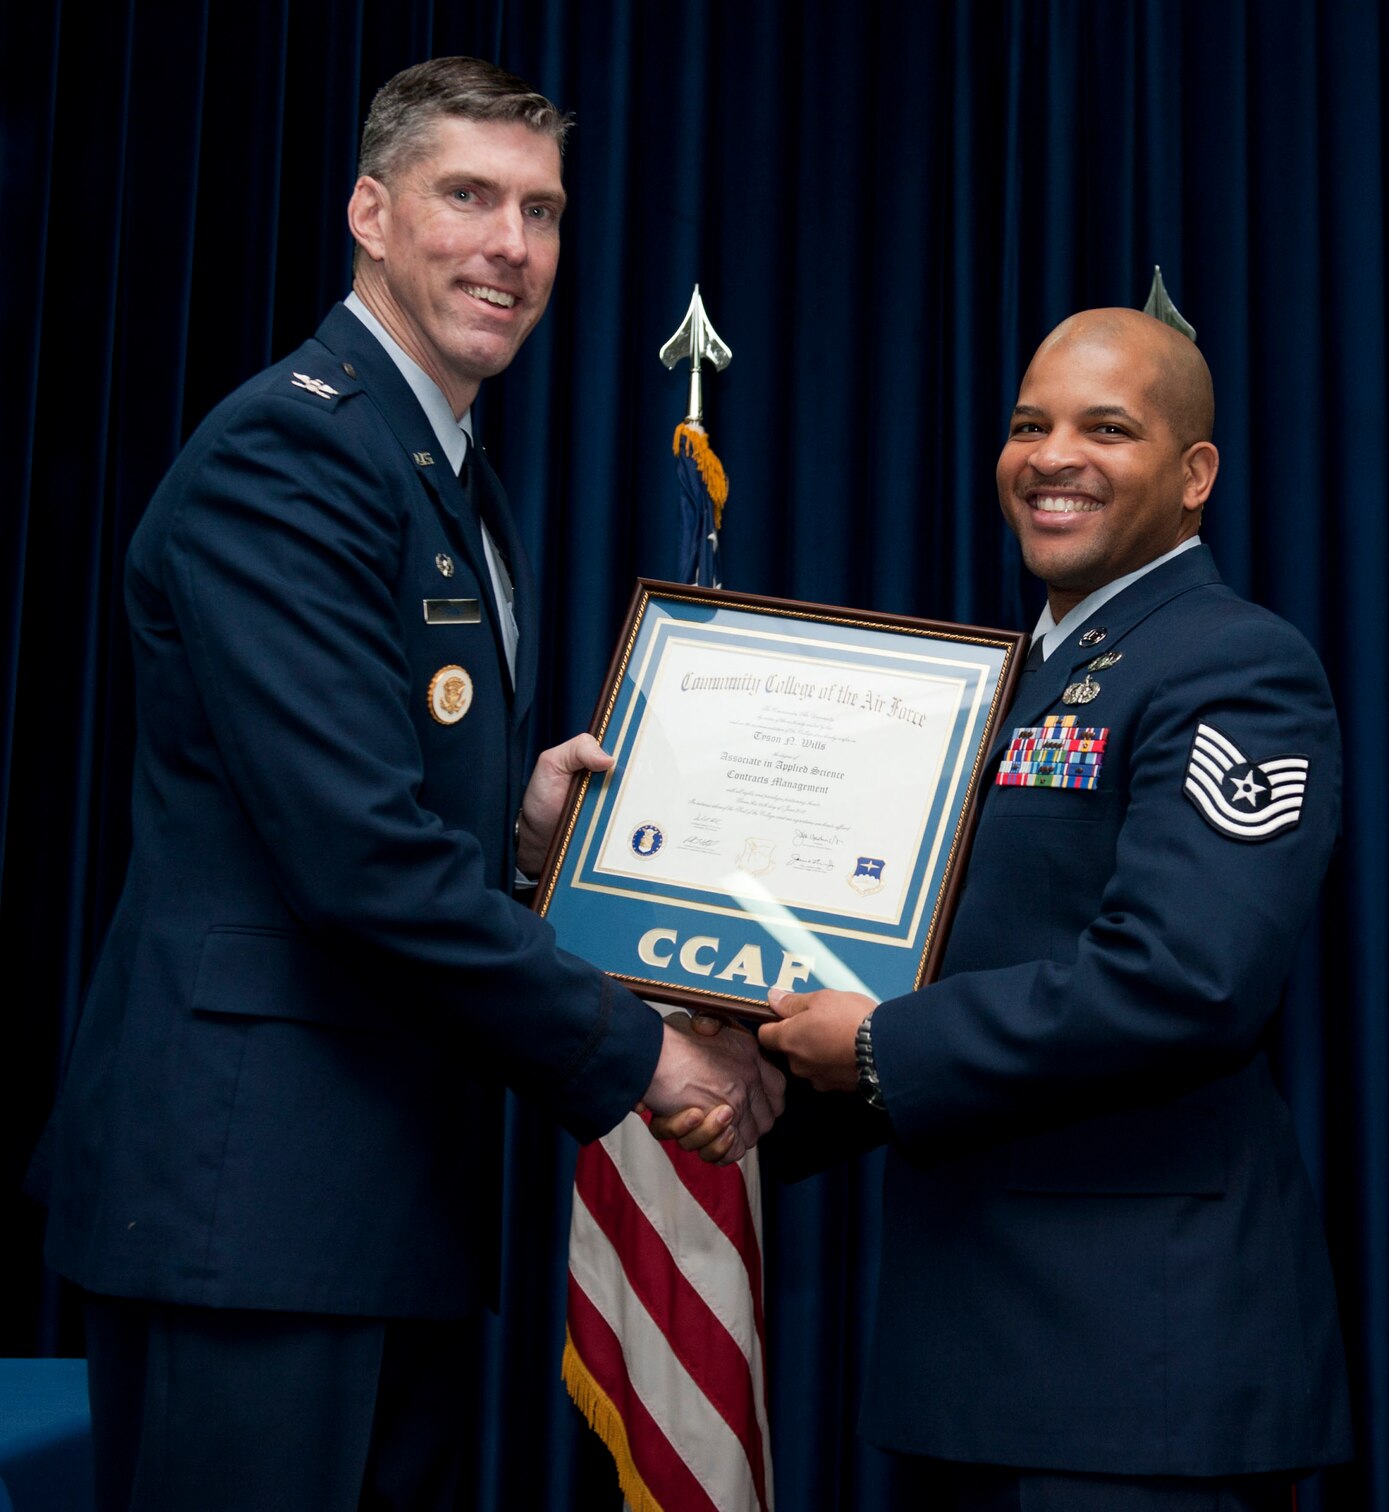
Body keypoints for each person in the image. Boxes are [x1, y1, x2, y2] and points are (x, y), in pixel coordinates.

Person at [32, 57, 781, 1511]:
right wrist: (637, 1056)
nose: (511, 245)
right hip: (252, 1205)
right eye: (469, 198)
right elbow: (358, 862)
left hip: (372, 1196)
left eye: (543, 211)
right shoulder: (291, 453)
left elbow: (352, 814)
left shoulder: (435, 465)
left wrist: (518, 833)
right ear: (373, 213)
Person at [756, 307, 1352, 1509]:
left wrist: (870, 1045)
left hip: (1138, 1372)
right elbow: (943, 957)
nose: (1051, 455)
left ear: (1194, 477)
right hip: (969, 1354)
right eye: (1028, 424)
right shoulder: (994, 685)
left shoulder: (1233, 664)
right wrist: (762, 1061)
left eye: (1106, 428)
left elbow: (1185, 978)